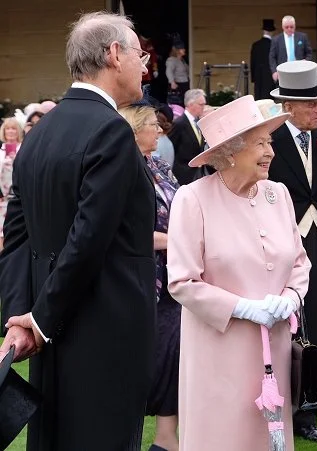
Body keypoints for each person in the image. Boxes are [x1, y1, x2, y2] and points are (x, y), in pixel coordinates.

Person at [0, 11, 156, 450]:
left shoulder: (39, 134)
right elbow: (89, 239)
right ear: (113, 55)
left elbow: (17, 240)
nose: (145, 64)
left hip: (49, 329)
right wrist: (37, 320)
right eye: (139, 53)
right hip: (105, 324)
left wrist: (23, 318)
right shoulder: (111, 131)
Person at [166, 94, 310, 451]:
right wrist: (243, 307)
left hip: (273, 347)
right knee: (222, 435)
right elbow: (181, 281)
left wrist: (291, 298)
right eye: (260, 143)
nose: (270, 152)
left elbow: (300, 262)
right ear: (229, 151)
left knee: (269, 437)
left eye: (270, 142)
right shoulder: (192, 198)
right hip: (219, 350)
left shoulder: (278, 195)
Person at [268, 60, 317, 443]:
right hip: (280, 246)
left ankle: (307, 415)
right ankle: (277, 409)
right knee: (280, 328)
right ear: (289, 107)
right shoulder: (269, 140)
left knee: (313, 326)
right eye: (313, 105)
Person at [119, 104, 181, 451]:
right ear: (135, 130)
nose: (158, 131)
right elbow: (122, 232)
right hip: (140, 281)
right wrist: (174, 241)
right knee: (146, 360)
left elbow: (183, 207)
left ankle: (165, 438)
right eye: (152, 126)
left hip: (173, 279)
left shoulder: (159, 166)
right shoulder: (123, 170)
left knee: (174, 352)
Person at [169, 89, 207, 184]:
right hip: (183, 174)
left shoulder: (199, 122)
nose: (204, 107)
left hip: (199, 172)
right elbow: (172, 147)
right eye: (201, 104)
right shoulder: (179, 123)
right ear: (191, 104)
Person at [0, 117, 23, 251]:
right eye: (8, 128)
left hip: (18, 196)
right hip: (2, 198)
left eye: (13, 128)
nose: (10, 131)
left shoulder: (24, 148)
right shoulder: (1, 150)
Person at [269, 16, 313, 82]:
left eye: (291, 27)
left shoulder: (302, 37)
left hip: (300, 71)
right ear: (282, 27)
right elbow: (272, 57)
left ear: (295, 26)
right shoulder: (276, 40)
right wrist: (274, 71)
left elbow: (309, 53)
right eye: (286, 27)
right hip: (283, 72)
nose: (289, 29)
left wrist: (306, 61)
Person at [250, 19, 276, 100]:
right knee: (270, 102)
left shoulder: (255, 45)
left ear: (264, 31)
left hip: (258, 77)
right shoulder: (273, 45)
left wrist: (253, 78)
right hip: (270, 78)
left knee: (259, 101)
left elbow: (252, 63)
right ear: (272, 31)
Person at [165, 38, 190, 103]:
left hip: (185, 83)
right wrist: (172, 82)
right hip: (178, 85)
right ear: (177, 50)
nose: (184, 50)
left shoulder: (182, 60)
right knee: (178, 102)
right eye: (182, 49)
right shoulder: (171, 60)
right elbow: (169, 71)